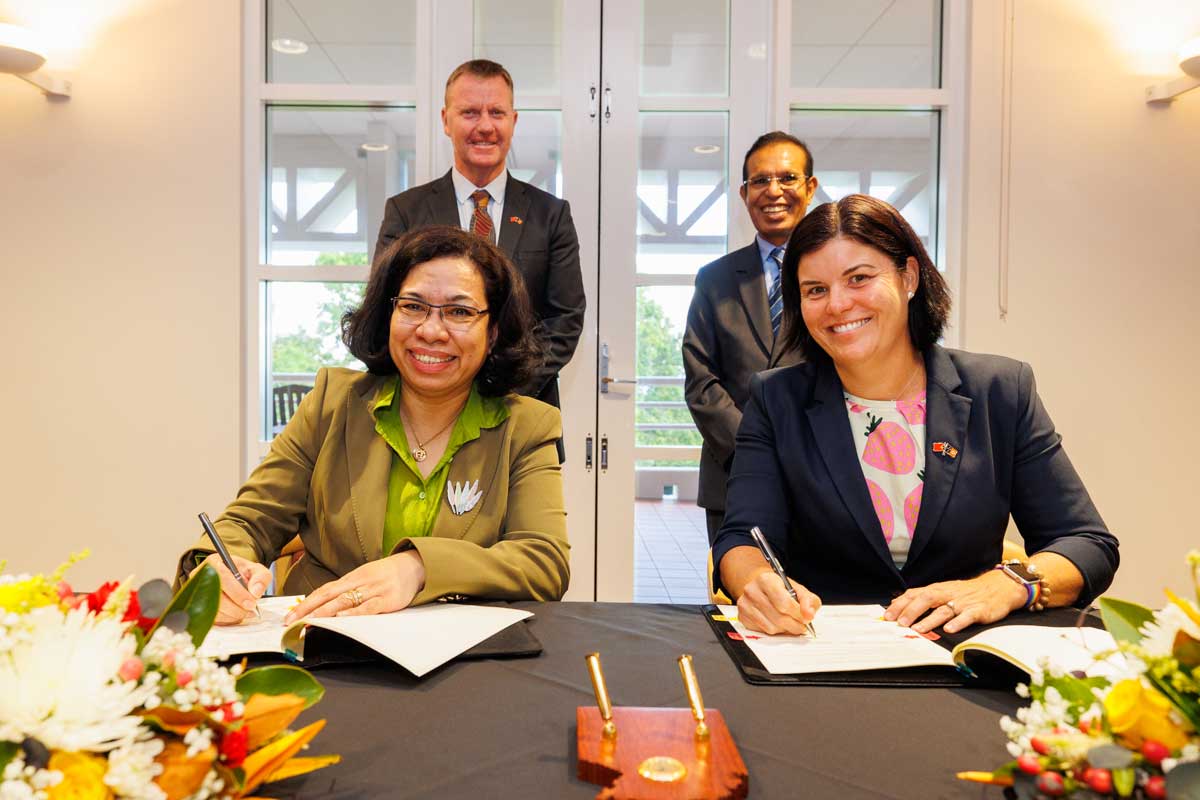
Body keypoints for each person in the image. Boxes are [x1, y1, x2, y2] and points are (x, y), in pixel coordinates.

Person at [712, 194, 1119, 635]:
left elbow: (1087, 543)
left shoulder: (999, 391)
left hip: (966, 651)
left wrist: (1006, 585)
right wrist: (757, 583)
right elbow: (742, 538)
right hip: (823, 651)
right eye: (815, 290)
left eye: (859, 278)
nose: (837, 305)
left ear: (908, 277)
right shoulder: (777, 399)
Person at [177, 226, 570, 625]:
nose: (431, 331)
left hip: (458, 663)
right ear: (388, 316)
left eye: (459, 312)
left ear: (493, 333)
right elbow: (249, 521)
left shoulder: (528, 426)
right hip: (322, 650)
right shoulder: (332, 402)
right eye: (413, 306)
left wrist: (418, 568)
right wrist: (215, 566)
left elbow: (544, 561)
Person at [374, 59, 584, 411]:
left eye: (497, 113)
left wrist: (496, 390)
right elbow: (385, 311)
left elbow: (565, 321)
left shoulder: (551, 215)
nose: (485, 126)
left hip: (523, 412)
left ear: (513, 122)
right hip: (425, 413)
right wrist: (443, 387)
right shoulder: (405, 212)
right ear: (446, 120)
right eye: (470, 112)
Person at [683, 132, 818, 543]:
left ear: (810, 188)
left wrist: (795, 454)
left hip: (817, 475)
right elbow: (700, 378)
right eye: (760, 181)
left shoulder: (831, 274)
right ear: (744, 193)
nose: (773, 191)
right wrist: (754, 450)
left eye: (787, 178)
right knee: (738, 597)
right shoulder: (715, 279)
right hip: (732, 477)